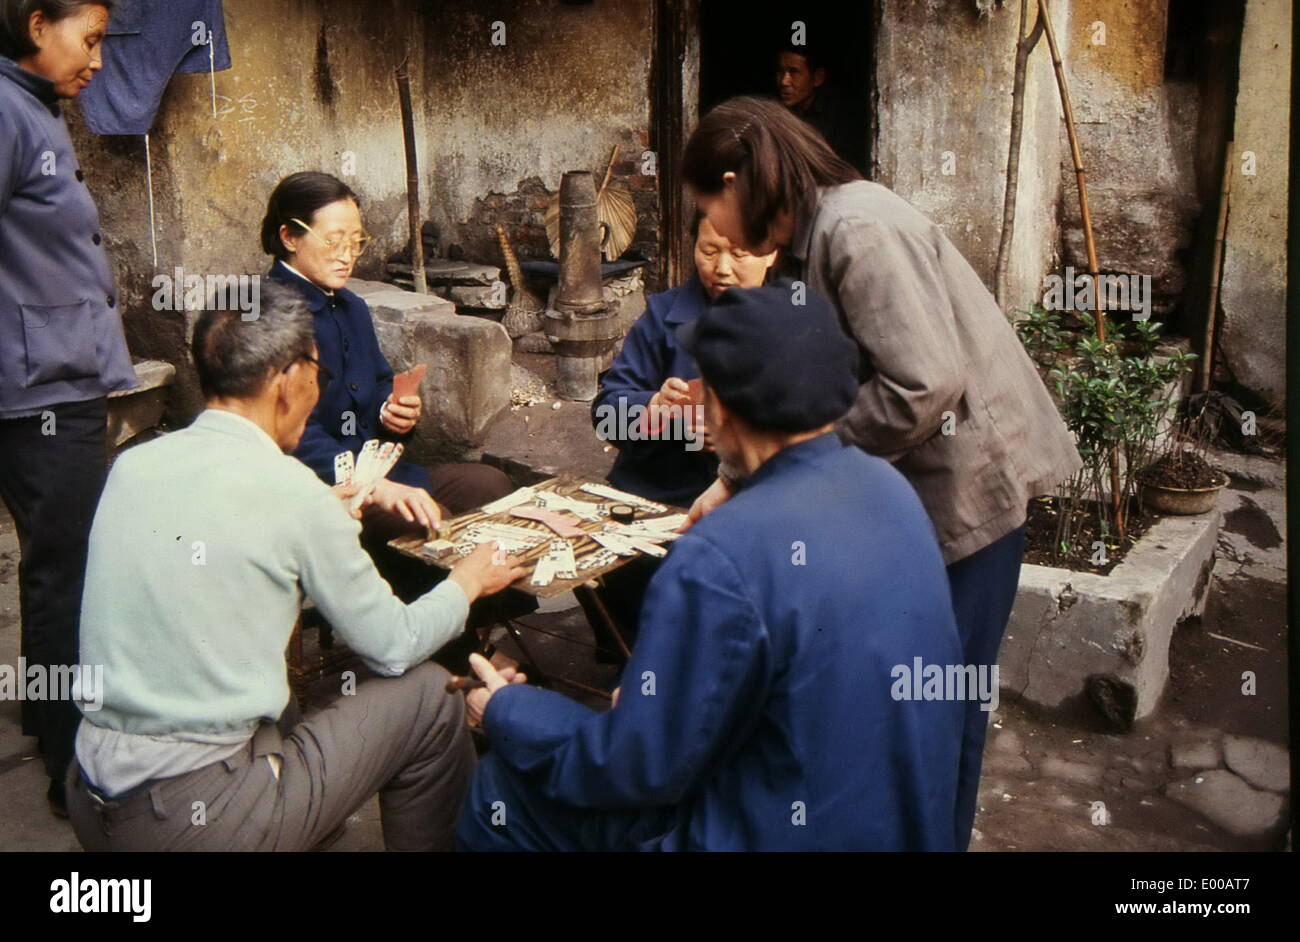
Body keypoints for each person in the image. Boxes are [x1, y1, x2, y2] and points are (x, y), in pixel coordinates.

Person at [681, 95, 1084, 850]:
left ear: (737, 183)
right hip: (914, 501)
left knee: (944, 712)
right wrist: (732, 481)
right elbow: (806, 400)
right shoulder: (807, 242)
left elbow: (922, 386)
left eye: (710, 204)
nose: (715, 228)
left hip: (966, 496)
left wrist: (788, 476)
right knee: (904, 713)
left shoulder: (856, 230)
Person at [456, 283, 964, 852]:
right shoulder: (890, 491)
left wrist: (507, 710)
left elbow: (634, 770)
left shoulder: (720, 552)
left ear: (716, 407)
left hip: (767, 829)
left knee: (500, 791)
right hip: (898, 822)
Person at [65, 283, 527, 851]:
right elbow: (393, 645)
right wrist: (468, 581)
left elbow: (218, 540)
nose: (317, 388)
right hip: (194, 815)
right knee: (430, 696)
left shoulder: (133, 466)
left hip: (93, 795)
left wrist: (315, 521)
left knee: (276, 703)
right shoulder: (294, 494)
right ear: (288, 380)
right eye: (318, 374)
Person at [0, 0, 136, 817]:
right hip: (39, 391)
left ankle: (54, 735)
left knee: (60, 570)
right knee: (69, 576)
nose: (97, 60)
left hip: (53, 377)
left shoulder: (32, 106)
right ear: (35, 23)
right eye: (87, 40)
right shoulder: (7, 112)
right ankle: (68, 765)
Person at [261, 172, 514, 561]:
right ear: (289, 237)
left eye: (356, 241)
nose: (347, 254)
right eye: (332, 240)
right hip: (320, 490)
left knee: (491, 486)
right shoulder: (268, 315)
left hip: (377, 476)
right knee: (430, 525)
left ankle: (481, 608)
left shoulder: (351, 307)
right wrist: (371, 487)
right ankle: (427, 617)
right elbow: (286, 435)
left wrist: (391, 412)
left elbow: (377, 384)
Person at [593, 212, 777, 507]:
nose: (722, 268)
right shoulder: (662, 316)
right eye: (709, 251)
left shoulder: (795, 327)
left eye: (740, 253)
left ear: (771, 253)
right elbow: (605, 418)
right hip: (657, 500)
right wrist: (659, 412)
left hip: (753, 507)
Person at [774, 44, 862, 173]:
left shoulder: (840, 119)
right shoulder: (773, 113)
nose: (784, 81)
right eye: (780, 71)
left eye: (794, 72)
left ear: (817, 78)